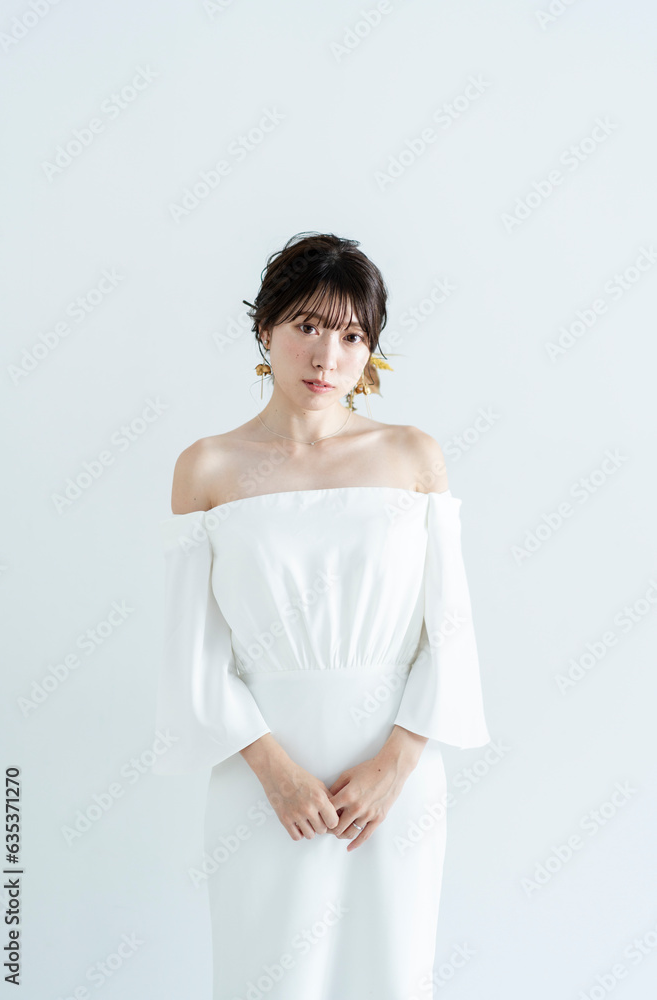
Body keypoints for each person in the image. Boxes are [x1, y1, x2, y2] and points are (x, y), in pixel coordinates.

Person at [152, 231, 492, 999]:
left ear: (370, 350)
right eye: (307, 326)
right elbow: (192, 651)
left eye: (351, 337)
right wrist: (274, 775)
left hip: (394, 782)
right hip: (259, 779)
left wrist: (395, 763)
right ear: (264, 328)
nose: (326, 356)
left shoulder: (412, 455)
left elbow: (450, 630)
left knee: (390, 973)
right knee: (267, 978)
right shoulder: (207, 467)